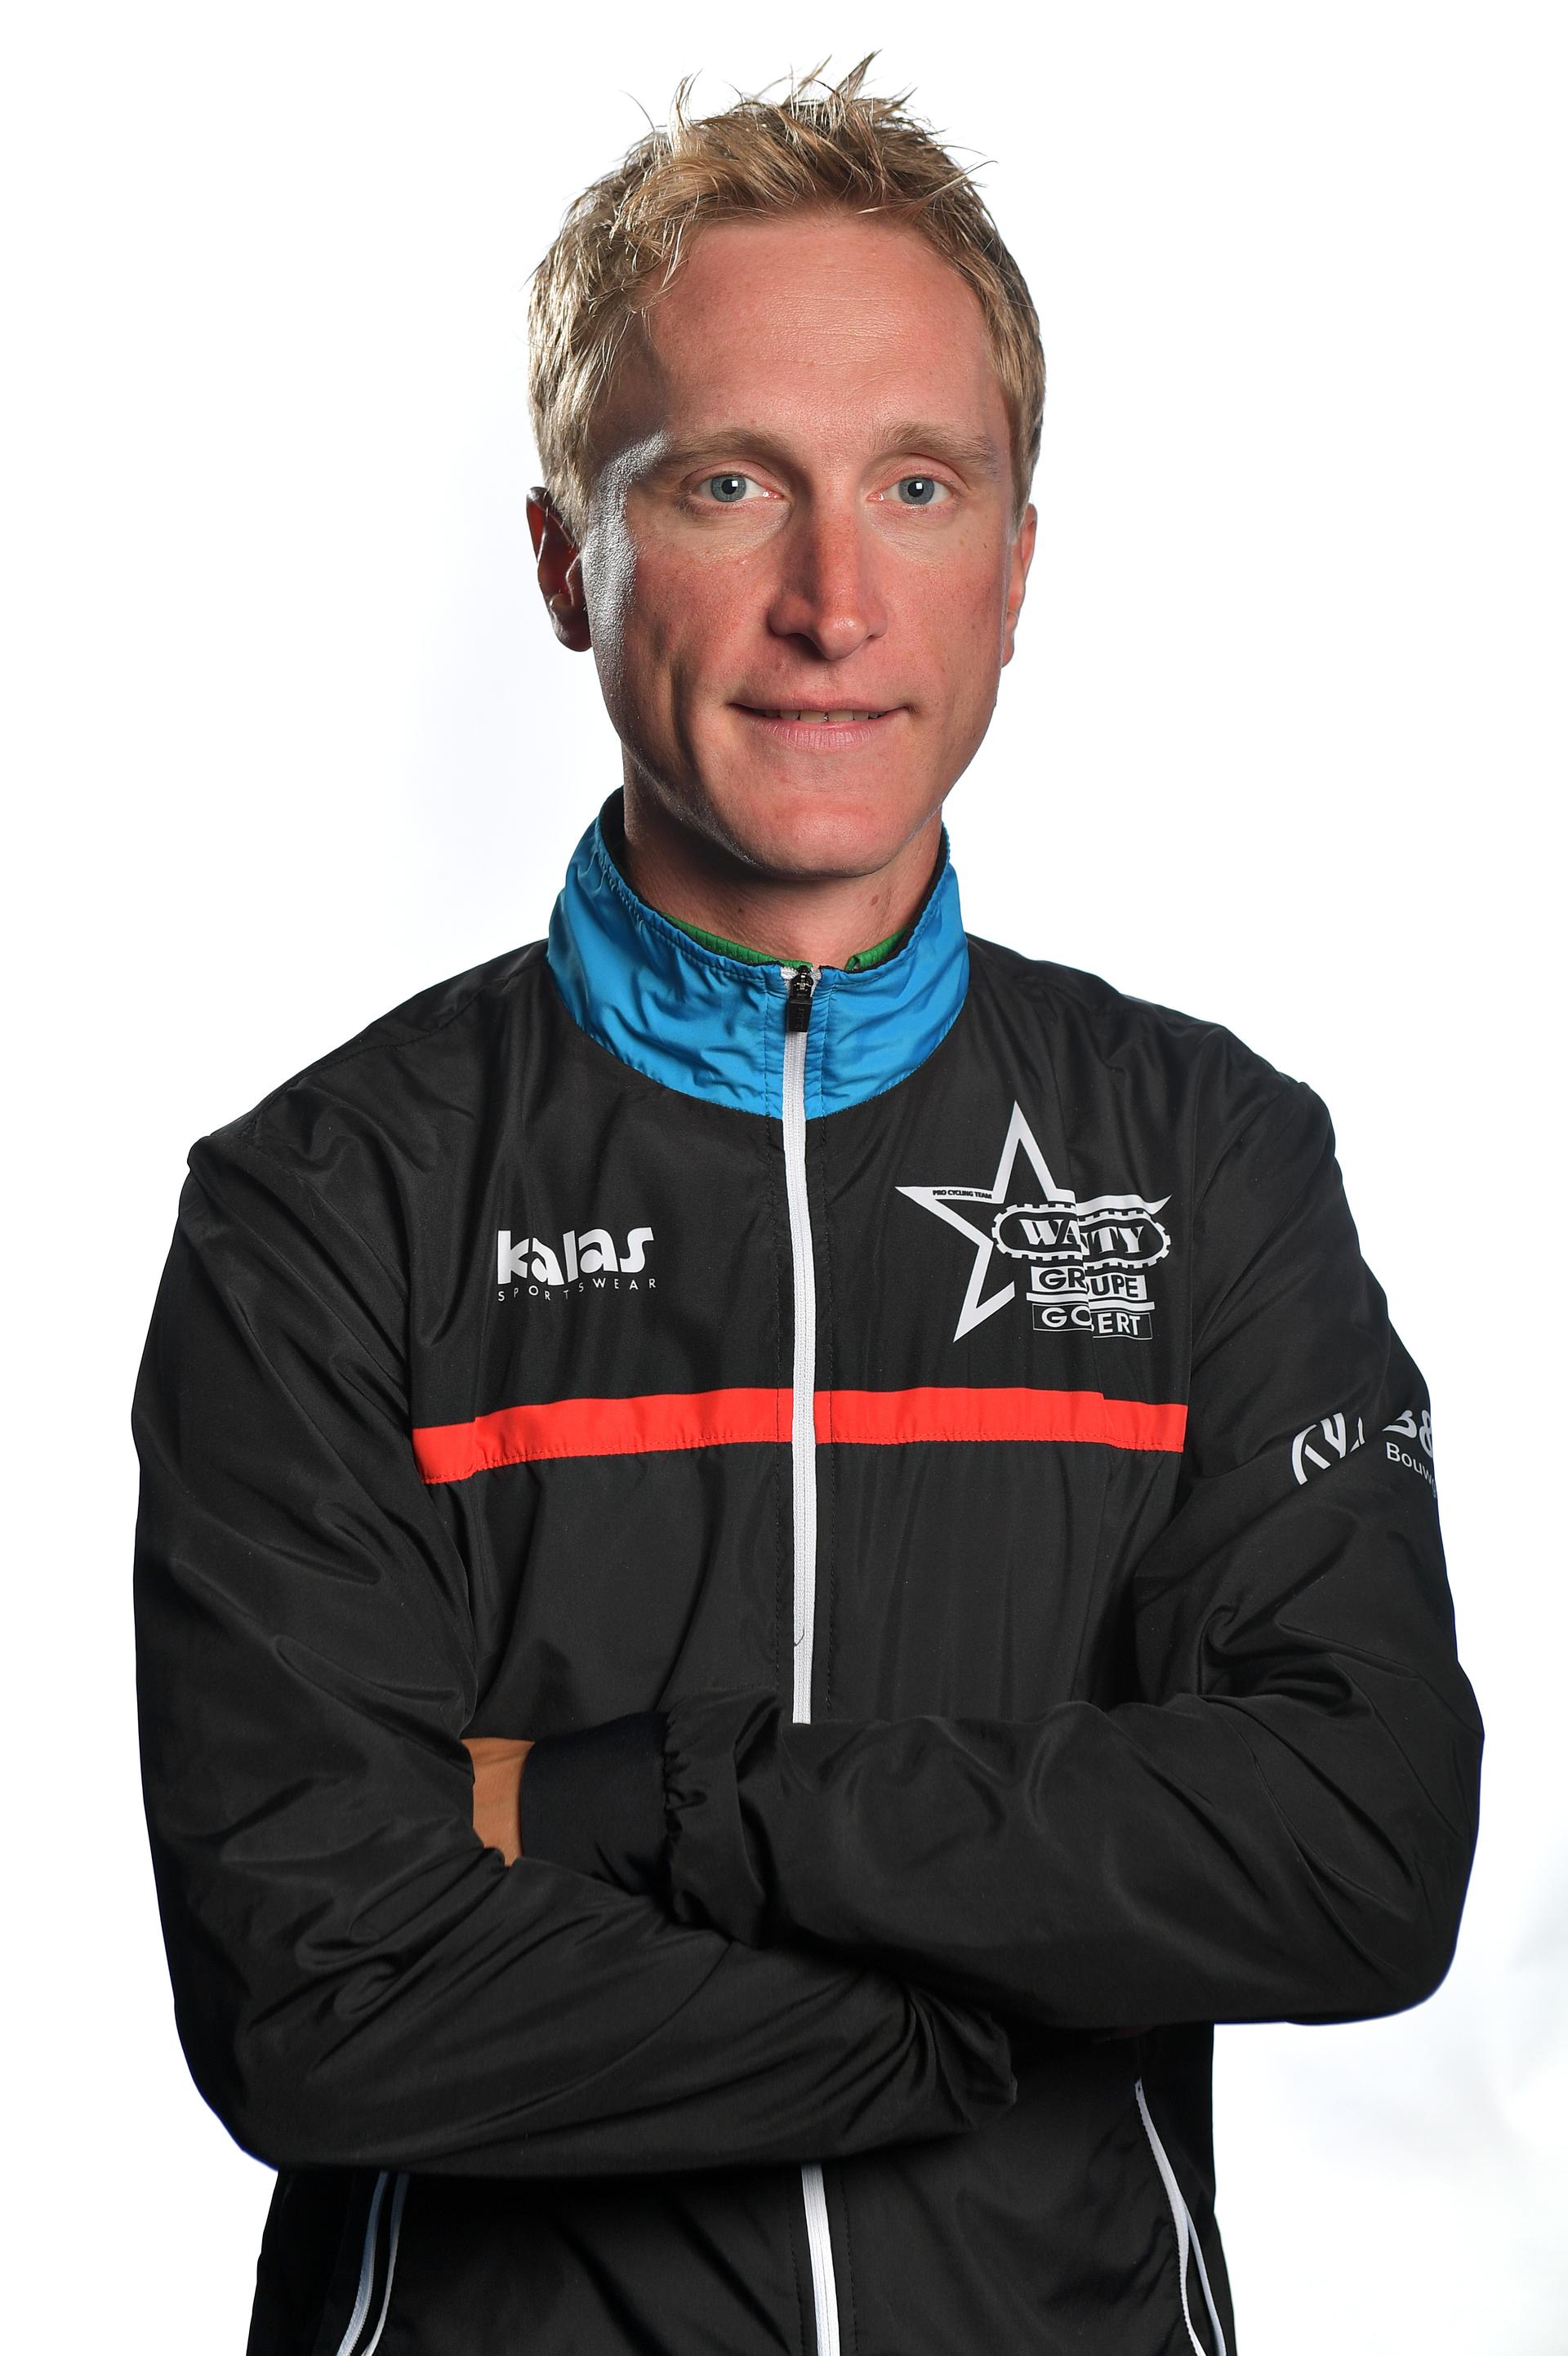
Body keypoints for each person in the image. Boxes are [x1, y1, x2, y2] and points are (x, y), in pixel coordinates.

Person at [132, 56, 1484, 2356]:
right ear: (572, 557)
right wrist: (957, 2040)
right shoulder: (325, 1207)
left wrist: (614, 1808)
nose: (835, 602)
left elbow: (1355, 1856)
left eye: (922, 484)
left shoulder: (1210, 1155)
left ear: (1020, 568)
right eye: (732, 484)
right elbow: (322, 1992)